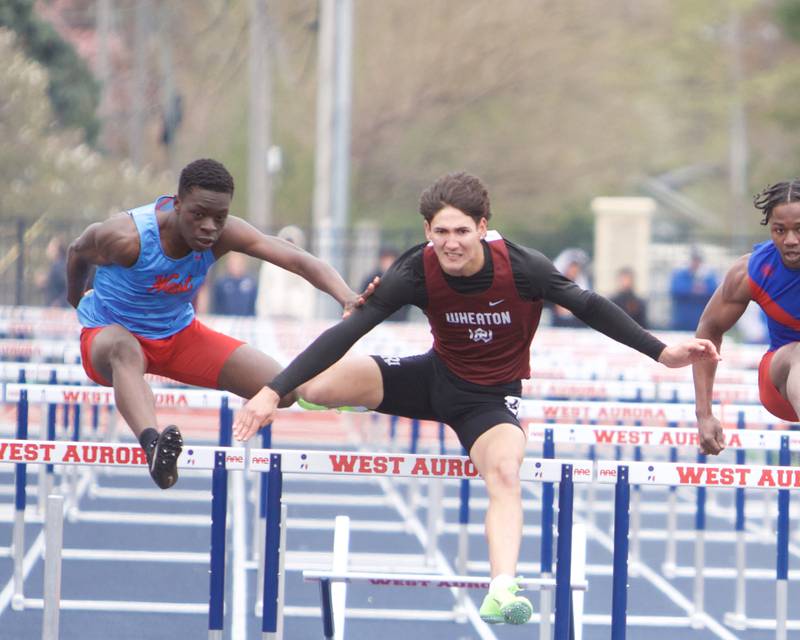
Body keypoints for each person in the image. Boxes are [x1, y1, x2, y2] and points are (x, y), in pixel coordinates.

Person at [233, 171, 720, 625]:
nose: (451, 243)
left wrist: (662, 352)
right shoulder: (414, 270)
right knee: (315, 384)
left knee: (506, 472)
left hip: (488, 403)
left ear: (483, 227)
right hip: (431, 378)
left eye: (462, 231)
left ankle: (502, 589)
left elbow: (590, 306)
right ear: (427, 230)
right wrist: (273, 391)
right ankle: (309, 395)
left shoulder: (525, 268)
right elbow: (350, 331)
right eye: (441, 232)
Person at [66, 158, 366, 490]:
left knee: (282, 390)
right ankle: (154, 446)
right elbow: (77, 251)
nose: (209, 227)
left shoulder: (226, 234)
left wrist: (346, 296)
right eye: (199, 215)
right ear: (177, 204)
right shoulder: (126, 237)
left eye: (219, 218)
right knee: (125, 348)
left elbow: (295, 257)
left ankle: (343, 391)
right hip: (109, 335)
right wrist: (75, 297)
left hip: (178, 335)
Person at [693, 180, 800, 456]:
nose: (790, 240)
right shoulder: (750, 272)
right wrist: (704, 414)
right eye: (780, 230)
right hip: (781, 380)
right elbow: (709, 329)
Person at [256, 225, 316, 321]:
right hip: (273, 314)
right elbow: (264, 289)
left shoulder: (304, 264)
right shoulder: (270, 264)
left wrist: (307, 317)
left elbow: (308, 293)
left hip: (296, 315)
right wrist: (262, 314)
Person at [669, 246, 718, 331]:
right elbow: (676, 290)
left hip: (701, 322)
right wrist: (693, 289)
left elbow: (715, 292)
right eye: (694, 260)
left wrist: (700, 290)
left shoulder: (708, 276)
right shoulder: (680, 274)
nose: (696, 263)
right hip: (681, 321)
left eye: (698, 260)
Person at [360, 247, 410, 322]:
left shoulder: (403, 278)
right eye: (385, 260)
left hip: (397, 320)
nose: (387, 263)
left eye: (390, 259)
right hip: (374, 319)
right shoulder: (371, 279)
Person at [549, 248, 590, 327]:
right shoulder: (555, 284)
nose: (574, 270)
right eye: (572, 267)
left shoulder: (581, 285)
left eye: (576, 267)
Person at [36, 237, 69, 307]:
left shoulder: (60, 265)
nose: (48, 249)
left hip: (60, 311)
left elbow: (69, 288)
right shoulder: (56, 265)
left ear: (57, 250)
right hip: (54, 309)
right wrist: (44, 283)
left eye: (51, 246)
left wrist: (60, 303)